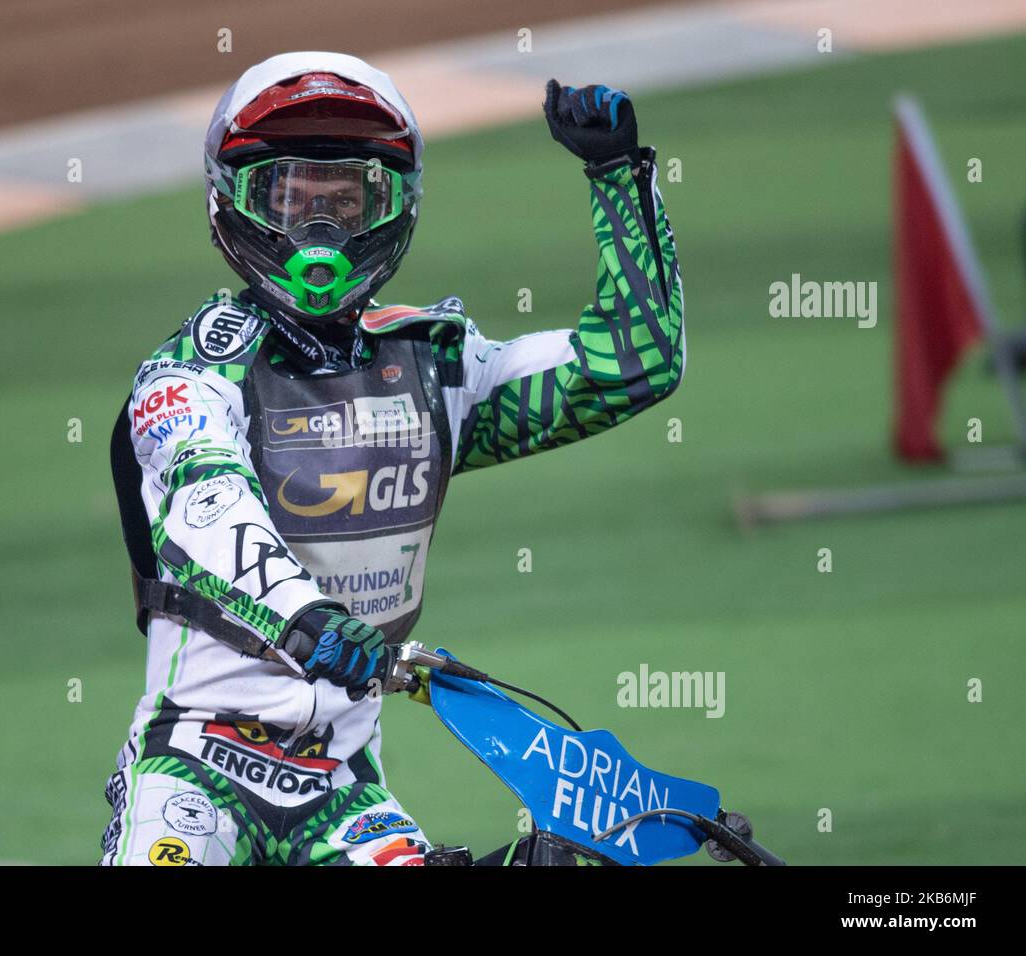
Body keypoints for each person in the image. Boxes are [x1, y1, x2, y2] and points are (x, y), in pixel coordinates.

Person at [100, 51, 685, 866]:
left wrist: (620, 177)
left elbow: (634, 366)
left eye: (346, 200)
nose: (319, 230)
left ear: (393, 207)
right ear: (233, 200)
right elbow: (209, 509)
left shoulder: (435, 368)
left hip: (342, 782)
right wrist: (311, 623)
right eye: (290, 197)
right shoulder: (190, 376)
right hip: (192, 766)